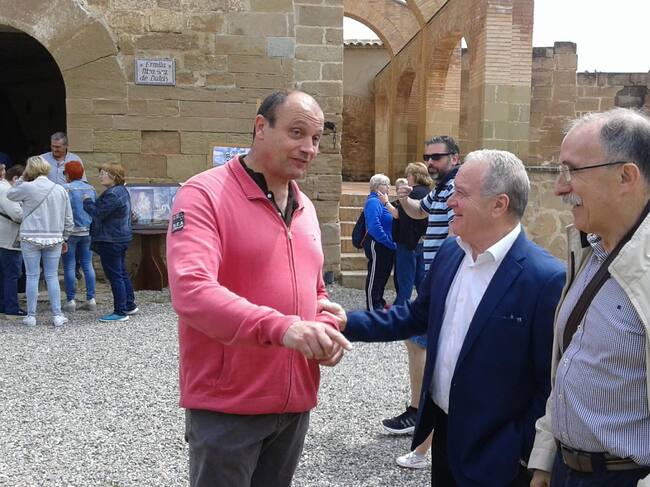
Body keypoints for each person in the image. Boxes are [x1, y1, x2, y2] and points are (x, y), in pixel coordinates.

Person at [322, 150, 565, 486]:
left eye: (461, 193)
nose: (449, 201)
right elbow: (416, 315)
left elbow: (549, 384)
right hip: (445, 438)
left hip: (501, 458)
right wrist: (348, 323)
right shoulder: (451, 253)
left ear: (499, 204)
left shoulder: (545, 279)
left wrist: (524, 454)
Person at [166, 90, 352, 487]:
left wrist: (322, 326)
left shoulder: (305, 207)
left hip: (294, 402)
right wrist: (284, 328)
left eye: (316, 138)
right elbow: (191, 291)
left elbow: (316, 290)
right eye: (297, 133)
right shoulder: (204, 195)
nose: (309, 148)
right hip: (228, 405)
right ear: (260, 128)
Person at [529, 108, 650, 487]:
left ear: (626, 176)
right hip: (567, 472)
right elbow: (569, 367)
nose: (559, 188)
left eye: (571, 171)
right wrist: (546, 459)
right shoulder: (589, 250)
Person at [380, 136, 461, 464]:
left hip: (443, 279)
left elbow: (458, 233)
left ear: (454, 158)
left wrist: (445, 273)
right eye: (427, 157)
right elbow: (418, 211)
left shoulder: (457, 187)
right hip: (434, 278)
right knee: (417, 341)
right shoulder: (440, 189)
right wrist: (403, 198)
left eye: (437, 157)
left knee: (423, 343)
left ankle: (422, 420)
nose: (430, 162)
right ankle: (420, 415)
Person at [7, 156, 73, 327]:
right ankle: (57, 315)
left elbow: (10, 194)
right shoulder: (60, 189)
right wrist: (65, 237)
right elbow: (69, 219)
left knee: (32, 276)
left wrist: (22, 178)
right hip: (54, 237)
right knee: (52, 276)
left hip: (30, 236)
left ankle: (31, 316)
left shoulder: (27, 187)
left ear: (30, 170)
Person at [83, 163, 138, 322]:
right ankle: (129, 305)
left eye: (104, 174)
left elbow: (98, 213)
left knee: (115, 276)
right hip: (120, 238)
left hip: (111, 240)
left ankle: (120, 312)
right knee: (121, 272)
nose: (100, 176)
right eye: (100, 173)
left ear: (114, 176)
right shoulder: (121, 190)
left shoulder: (112, 194)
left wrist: (87, 201)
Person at [61, 161, 97, 313]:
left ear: (68, 174)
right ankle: (91, 299)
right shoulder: (91, 189)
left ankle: (71, 300)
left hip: (70, 231)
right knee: (87, 264)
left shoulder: (65, 188)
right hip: (87, 231)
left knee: (69, 265)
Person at [363, 173, 396, 310]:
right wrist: (386, 241)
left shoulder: (381, 201)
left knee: (383, 274)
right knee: (376, 275)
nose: (388, 187)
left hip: (386, 244)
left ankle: (379, 302)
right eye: (385, 184)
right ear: (377, 186)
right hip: (378, 243)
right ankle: (373, 307)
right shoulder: (374, 201)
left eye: (389, 184)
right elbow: (374, 226)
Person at [0, 164, 25, 319]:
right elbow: (17, 214)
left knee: (4, 274)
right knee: (12, 274)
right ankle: (12, 307)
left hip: (3, 238)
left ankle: (3, 305)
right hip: (9, 238)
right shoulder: (6, 190)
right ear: (16, 179)